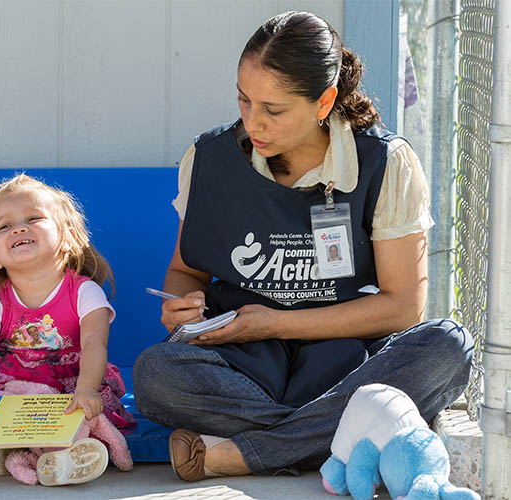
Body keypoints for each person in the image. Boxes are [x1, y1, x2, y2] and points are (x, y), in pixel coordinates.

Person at [132, 11, 474, 482]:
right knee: (154, 375)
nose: (253, 121)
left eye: (273, 109)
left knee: (446, 346)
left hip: (347, 355)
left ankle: (246, 453)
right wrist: (181, 307)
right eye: (244, 100)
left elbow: (403, 309)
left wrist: (277, 322)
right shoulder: (208, 158)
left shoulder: (386, 162)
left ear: (324, 101)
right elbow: (185, 271)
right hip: (244, 362)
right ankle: (335, 436)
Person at [0, 173, 135, 485]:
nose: (18, 228)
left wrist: (87, 389)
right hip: (11, 391)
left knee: (92, 416)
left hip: (70, 390)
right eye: (4, 226)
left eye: (33, 218)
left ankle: (68, 458)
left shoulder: (84, 292)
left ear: (68, 238)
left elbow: (94, 342)